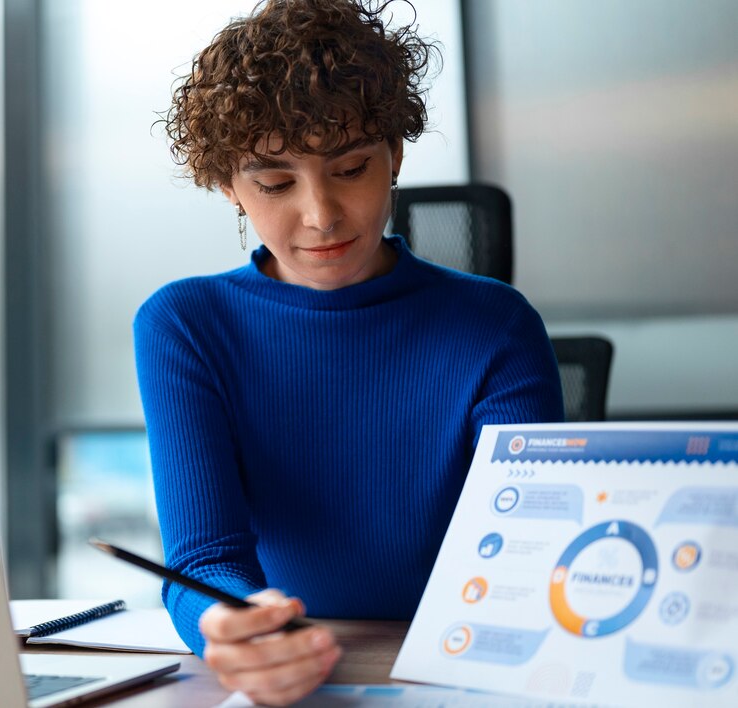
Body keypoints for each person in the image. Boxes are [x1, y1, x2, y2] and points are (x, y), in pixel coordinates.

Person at [133, 1, 563, 704]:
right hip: (296, 677)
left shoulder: (497, 326)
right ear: (228, 185)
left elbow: (529, 553)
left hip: (462, 671)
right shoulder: (185, 325)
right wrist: (232, 627)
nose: (321, 215)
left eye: (352, 168)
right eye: (275, 183)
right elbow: (205, 558)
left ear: (395, 154)